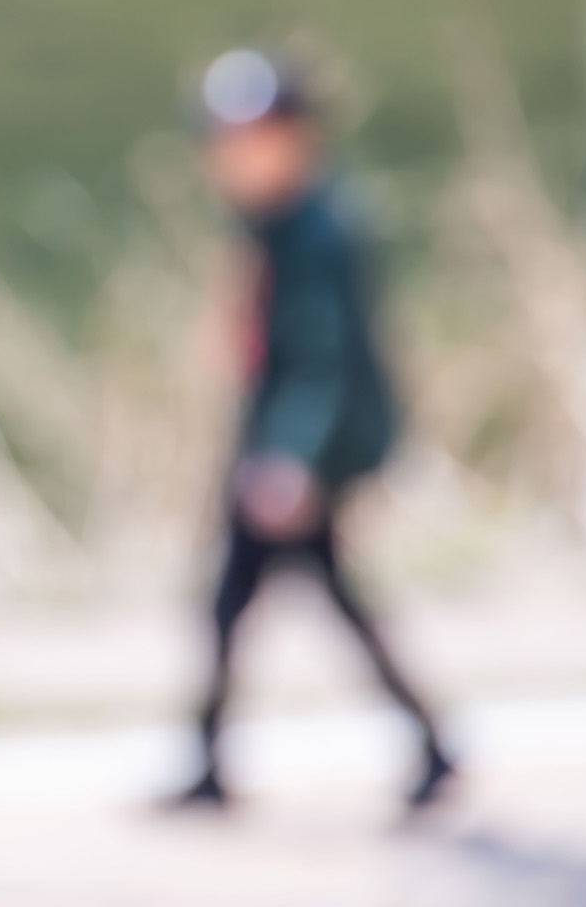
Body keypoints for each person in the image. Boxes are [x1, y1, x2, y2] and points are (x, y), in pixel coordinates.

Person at [173, 48, 455, 813]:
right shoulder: (268, 224)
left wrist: (291, 460)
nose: (238, 157)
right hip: (279, 448)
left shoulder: (321, 232)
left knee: (252, 599)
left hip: (304, 456)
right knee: (292, 598)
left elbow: (324, 360)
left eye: (256, 138)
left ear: (299, 137)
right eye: (227, 142)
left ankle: (213, 766)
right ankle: (430, 743)